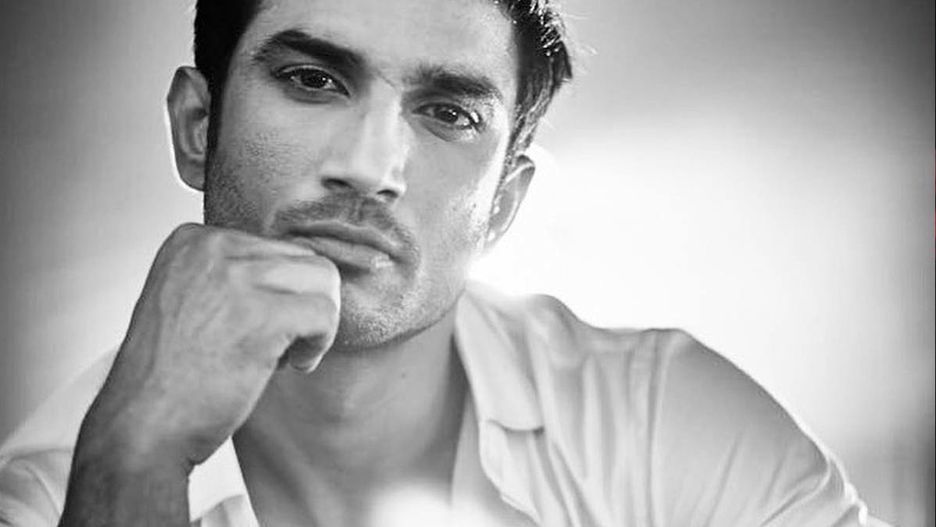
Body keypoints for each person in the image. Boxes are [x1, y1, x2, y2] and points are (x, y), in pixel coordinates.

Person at [0, 0, 891, 525]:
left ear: (502, 203)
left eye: (448, 114)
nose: (370, 166)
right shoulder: (54, 493)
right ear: (199, 128)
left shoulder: (667, 423)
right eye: (314, 79)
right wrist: (136, 461)